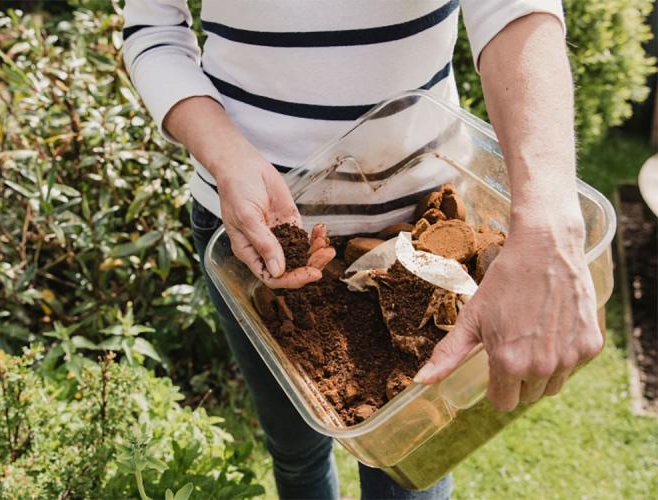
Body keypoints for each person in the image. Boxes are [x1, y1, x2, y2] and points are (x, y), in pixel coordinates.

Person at [122, 2, 604, 498]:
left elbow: (515, 9)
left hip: (427, 237)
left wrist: (548, 229)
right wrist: (228, 157)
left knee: (411, 477)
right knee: (295, 453)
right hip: (256, 238)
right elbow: (152, 27)